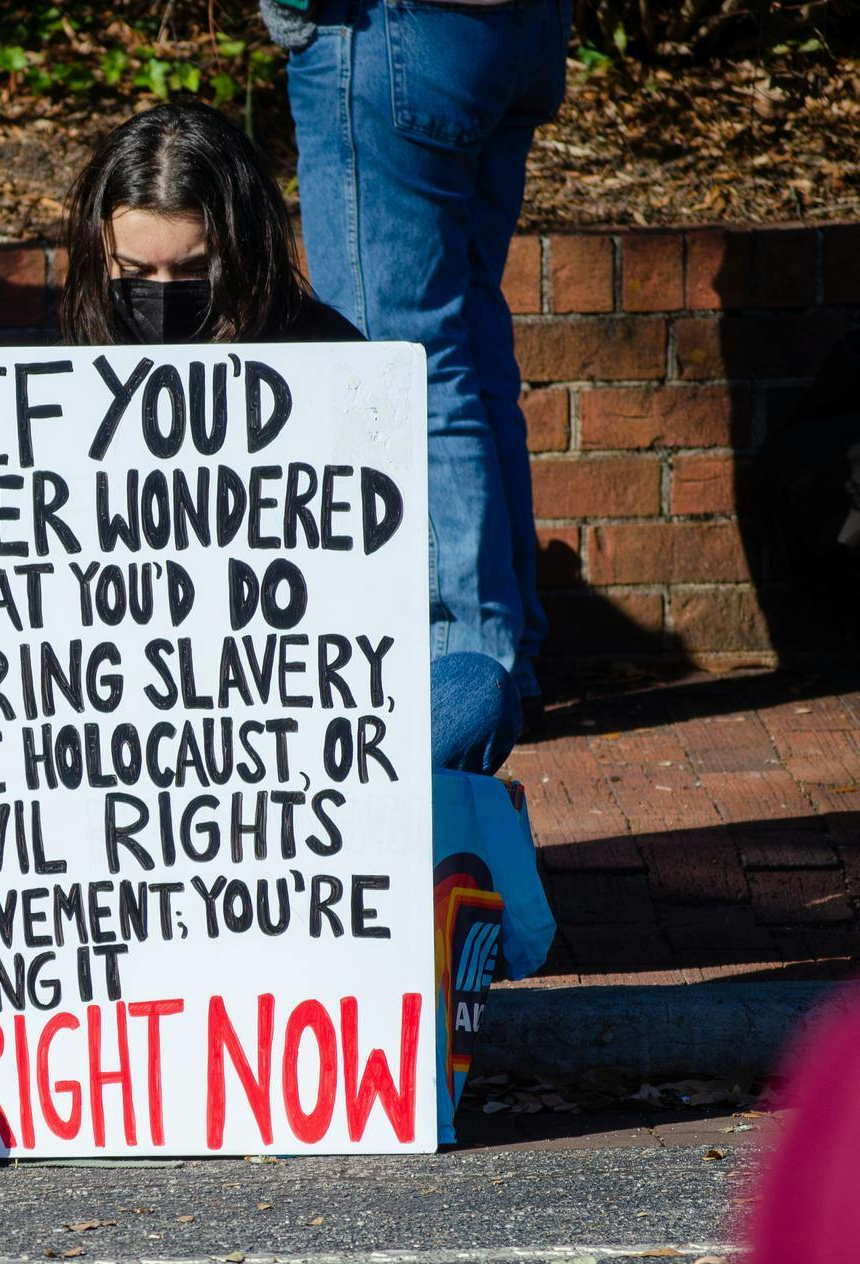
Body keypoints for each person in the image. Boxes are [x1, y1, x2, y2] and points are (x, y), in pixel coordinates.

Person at [60, 100, 520, 776]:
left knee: (476, 692)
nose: (162, 295)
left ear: (242, 251)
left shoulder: (330, 358)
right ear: (101, 255)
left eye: (193, 271)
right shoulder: (56, 379)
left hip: (291, 732)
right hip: (126, 736)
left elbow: (369, 597)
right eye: (135, 274)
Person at [268, 0, 572, 724]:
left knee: (399, 362)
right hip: (514, 32)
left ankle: (460, 662)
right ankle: (505, 652)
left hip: (390, 31)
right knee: (464, 339)